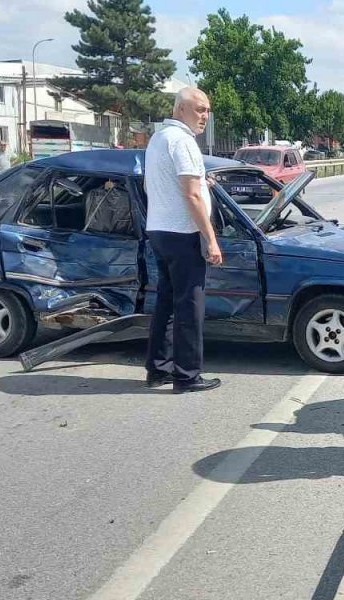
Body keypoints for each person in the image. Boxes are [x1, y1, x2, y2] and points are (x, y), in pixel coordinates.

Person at [142, 87, 222, 394]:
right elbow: (190, 195)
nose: (205, 116)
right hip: (183, 233)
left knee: (166, 302)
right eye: (199, 109)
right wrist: (211, 239)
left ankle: (158, 369)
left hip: (159, 230)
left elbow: (158, 185)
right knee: (190, 305)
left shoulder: (158, 139)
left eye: (207, 110)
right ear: (180, 110)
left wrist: (205, 183)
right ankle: (187, 376)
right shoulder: (183, 141)